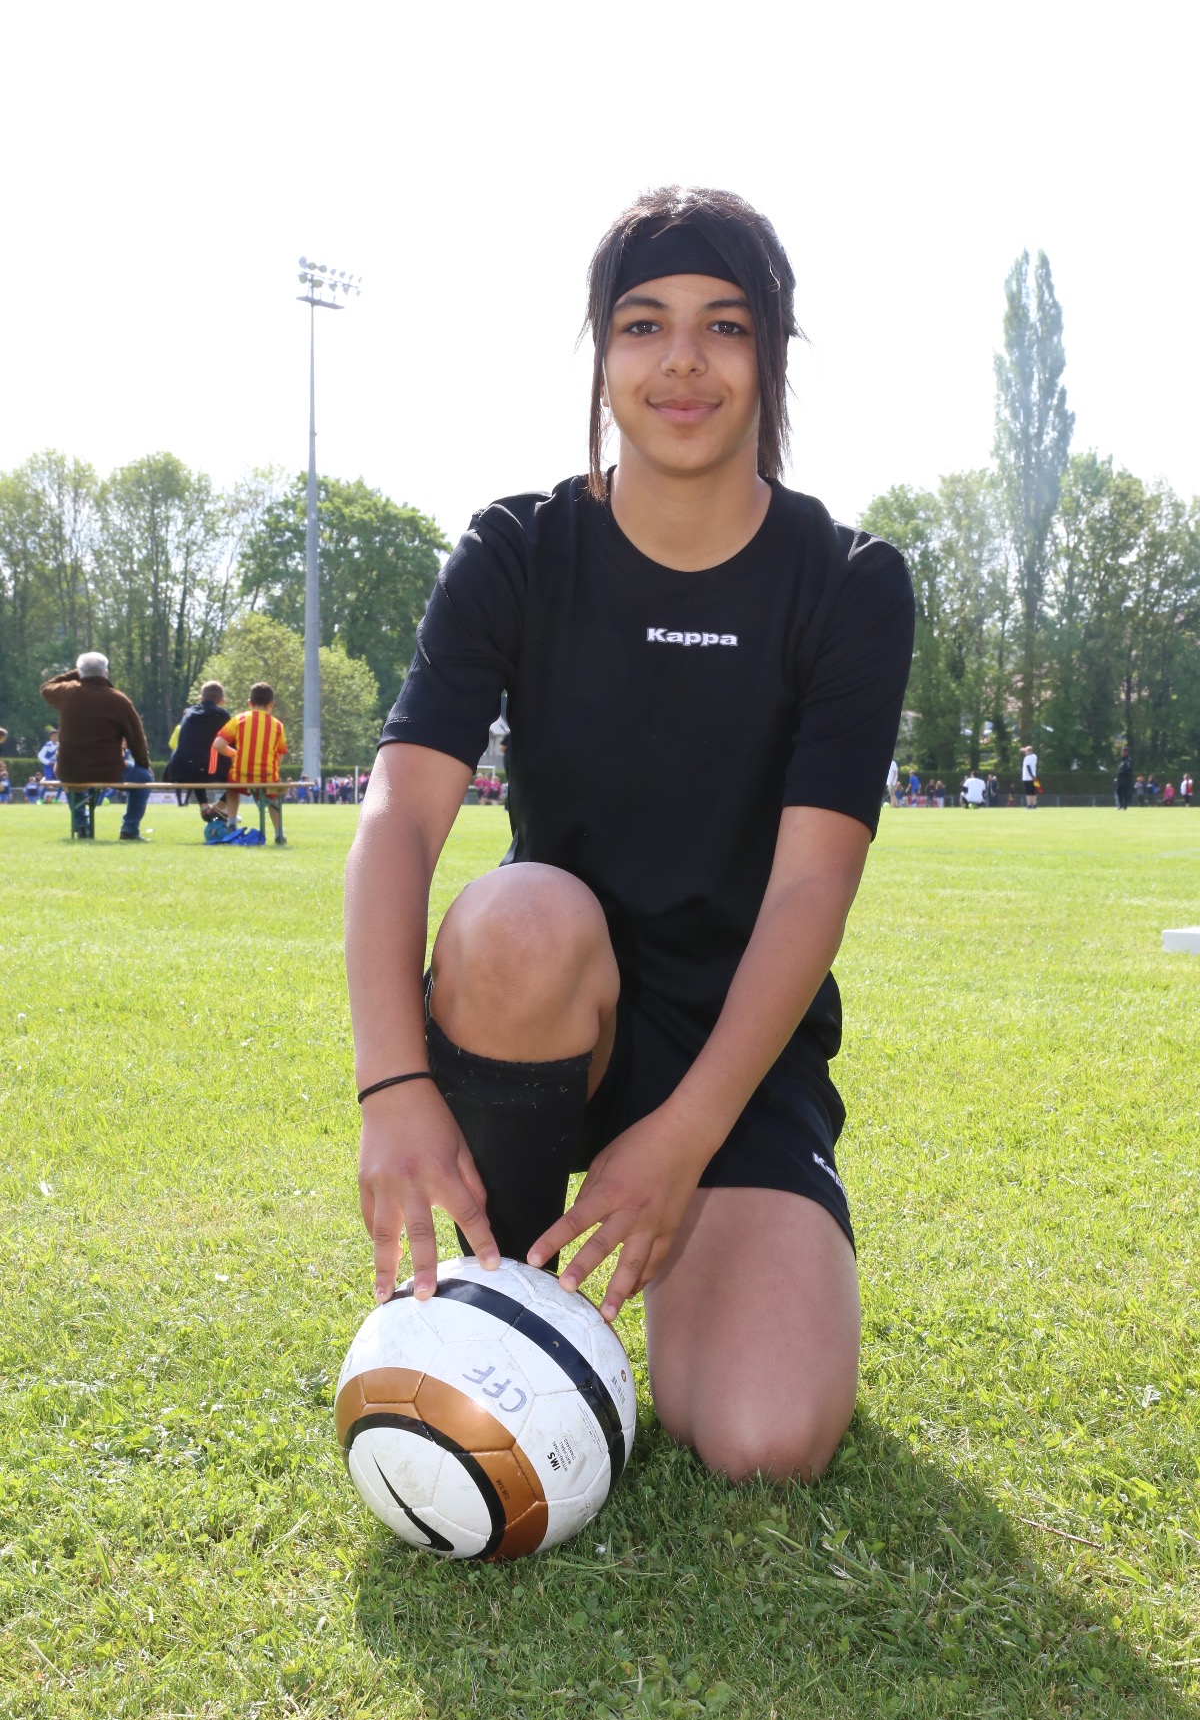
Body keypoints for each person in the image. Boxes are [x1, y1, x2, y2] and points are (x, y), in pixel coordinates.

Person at [345, 185, 915, 1485]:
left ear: (771, 351)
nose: (683, 362)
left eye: (725, 325)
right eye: (645, 324)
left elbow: (812, 886)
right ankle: (503, 1289)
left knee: (767, 1442)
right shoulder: (519, 550)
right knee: (518, 914)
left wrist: (686, 1134)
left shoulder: (849, 584)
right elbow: (400, 814)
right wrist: (394, 1088)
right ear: (602, 353)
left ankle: (680, 1235)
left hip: (737, 1053)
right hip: (554, 1009)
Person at [39, 653, 153, 839]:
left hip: (70, 770)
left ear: (79, 672)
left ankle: (80, 824)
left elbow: (46, 688)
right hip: (108, 771)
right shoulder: (119, 700)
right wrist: (143, 765)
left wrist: (80, 673)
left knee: (71, 776)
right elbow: (137, 738)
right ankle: (129, 828)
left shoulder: (66, 692)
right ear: (105, 673)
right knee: (143, 777)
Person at [210, 682, 288, 842]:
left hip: (241, 774)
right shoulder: (278, 725)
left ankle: (232, 824)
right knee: (273, 798)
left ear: (249, 703)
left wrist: (235, 754)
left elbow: (218, 744)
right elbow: (280, 755)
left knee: (233, 788)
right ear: (271, 704)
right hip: (267, 776)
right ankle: (279, 833)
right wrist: (274, 770)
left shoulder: (239, 719)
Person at [166, 681, 232, 820]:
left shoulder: (188, 713)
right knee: (241, 775)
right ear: (222, 701)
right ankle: (220, 806)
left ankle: (204, 805)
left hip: (177, 770)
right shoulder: (223, 716)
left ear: (201, 698)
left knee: (196, 757)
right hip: (206, 770)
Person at [1115, 746, 1133, 810]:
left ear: (1126, 752)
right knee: (1118, 791)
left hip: (1125, 779)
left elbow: (1128, 769)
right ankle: (1120, 805)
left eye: (1123, 752)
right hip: (1120, 779)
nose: (1122, 753)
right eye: (1122, 752)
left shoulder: (1128, 760)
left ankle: (1124, 806)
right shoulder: (1122, 760)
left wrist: (1121, 773)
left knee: (1125, 792)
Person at [1020, 743, 1038, 808]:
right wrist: (1033, 777)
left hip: (1027, 778)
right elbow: (1030, 752)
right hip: (1035, 777)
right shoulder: (1035, 756)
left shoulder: (1026, 758)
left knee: (1028, 792)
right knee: (1033, 791)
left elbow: (1028, 768)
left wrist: (1031, 776)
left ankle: (1029, 804)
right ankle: (1034, 804)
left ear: (1028, 751)